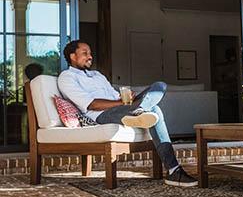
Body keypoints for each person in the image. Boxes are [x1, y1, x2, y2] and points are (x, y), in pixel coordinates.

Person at [57, 40, 198, 187]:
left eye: (90, 53)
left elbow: (115, 95)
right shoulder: (67, 77)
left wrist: (128, 98)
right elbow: (91, 104)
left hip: (122, 109)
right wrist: (122, 104)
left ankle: (139, 110)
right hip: (101, 116)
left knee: (159, 86)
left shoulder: (97, 75)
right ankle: (174, 170)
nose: (90, 56)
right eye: (85, 53)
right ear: (73, 56)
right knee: (155, 110)